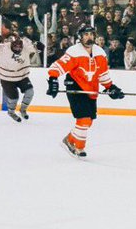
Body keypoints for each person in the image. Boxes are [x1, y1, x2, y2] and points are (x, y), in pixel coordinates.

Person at [46, 24, 124, 157]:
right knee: (84, 120)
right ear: (80, 37)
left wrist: (110, 87)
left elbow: (102, 73)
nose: (89, 37)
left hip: (91, 89)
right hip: (75, 87)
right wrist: (53, 80)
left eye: (91, 34)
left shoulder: (100, 52)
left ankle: (69, 140)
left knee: (89, 121)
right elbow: (59, 65)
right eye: (86, 35)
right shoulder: (74, 51)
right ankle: (79, 148)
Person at [0, 33, 38, 122]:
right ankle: (11, 112)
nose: (18, 49)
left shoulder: (25, 44)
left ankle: (23, 110)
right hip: (7, 79)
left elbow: (35, 49)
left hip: (22, 76)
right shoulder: (3, 48)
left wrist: (39, 46)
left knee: (30, 92)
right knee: (14, 98)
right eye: (16, 47)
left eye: (20, 47)